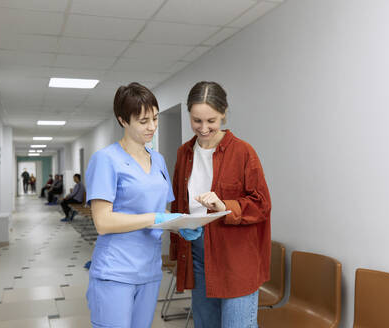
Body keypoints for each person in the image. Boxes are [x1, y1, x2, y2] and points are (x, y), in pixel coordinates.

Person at [85, 82, 193, 328]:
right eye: (143, 121)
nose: (152, 127)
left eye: (155, 118)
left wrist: (180, 224)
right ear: (123, 120)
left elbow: (161, 210)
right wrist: (155, 218)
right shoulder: (106, 160)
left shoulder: (159, 160)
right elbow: (103, 222)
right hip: (115, 271)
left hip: (150, 270)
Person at [170, 81, 272, 328]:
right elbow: (178, 203)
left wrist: (224, 205)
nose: (203, 128)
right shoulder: (184, 153)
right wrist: (179, 226)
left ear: (224, 113)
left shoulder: (243, 152)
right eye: (197, 121)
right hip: (197, 253)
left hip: (236, 258)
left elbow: (261, 205)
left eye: (211, 121)